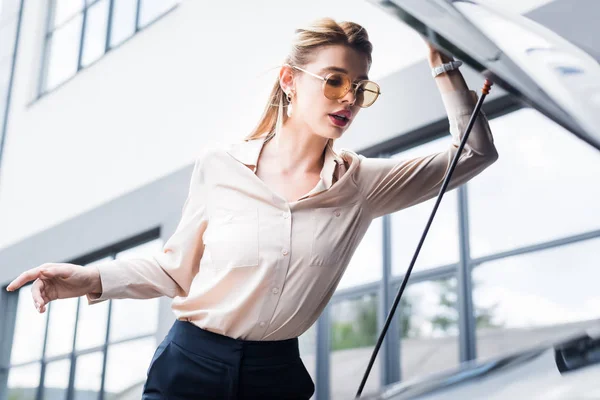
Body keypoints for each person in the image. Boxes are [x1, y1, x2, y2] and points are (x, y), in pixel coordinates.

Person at [6, 17, 498, 400]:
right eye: (334, 80)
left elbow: (474, 152)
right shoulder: (221, 167)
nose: (348, 97)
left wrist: (443, 63)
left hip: (276, 375)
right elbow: (174, 269)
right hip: (191, 363)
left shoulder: (361, 185)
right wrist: (89, 279)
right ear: (290, 80)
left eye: (361, 87)